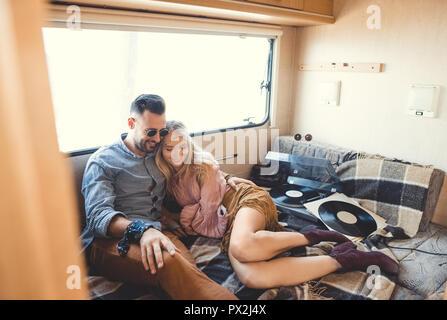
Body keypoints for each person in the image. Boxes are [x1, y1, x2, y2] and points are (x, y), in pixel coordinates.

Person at [155, 121, 399, 289]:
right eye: (169, 148)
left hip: (244, 199)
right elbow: (173, 210)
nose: (178, 153)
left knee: (242, 248)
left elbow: (206, 211)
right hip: (228, 221)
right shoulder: (164, 178)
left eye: (183, 146)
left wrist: (185, 220)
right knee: (251, 277)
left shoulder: (202, 165)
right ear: (159, 151)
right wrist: (171, 220)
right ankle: (347, 260)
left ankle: (313, 236)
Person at [81, 94, 251, 300]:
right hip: (110, 241)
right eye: (150, 132)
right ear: (131, 123)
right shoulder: (103, 161)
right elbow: (98, 217)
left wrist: (225, 177)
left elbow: (193, 162)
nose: (156, 138)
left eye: (161, 132)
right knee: (170, 263)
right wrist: (141, 230)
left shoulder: (159, 151)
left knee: (185, 266)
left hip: (157, 229)